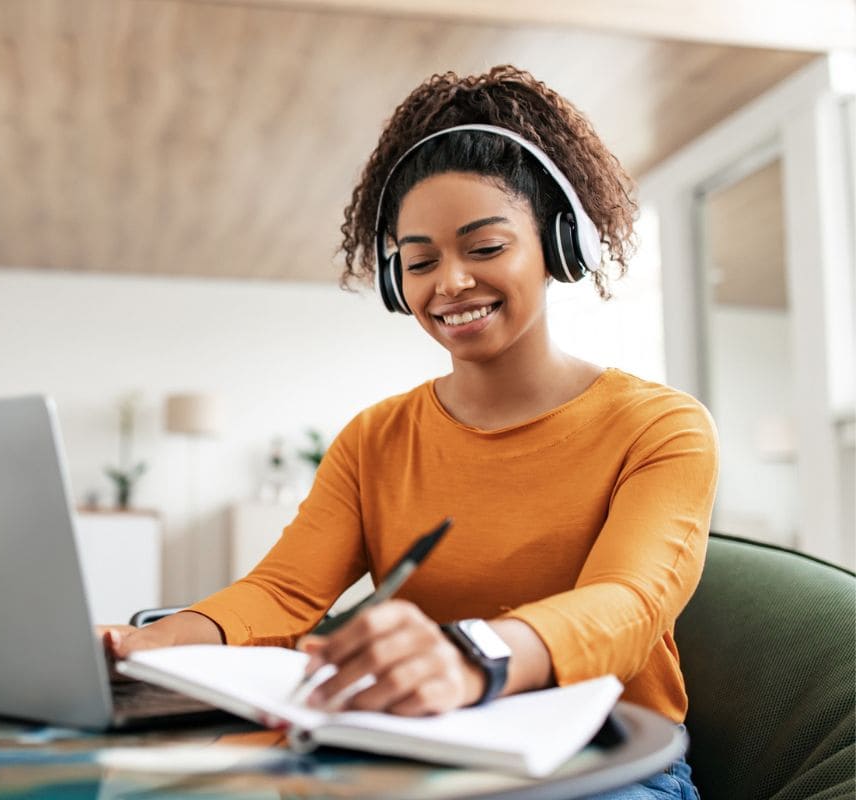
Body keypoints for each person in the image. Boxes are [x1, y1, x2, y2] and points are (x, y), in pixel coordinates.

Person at [103, 65, 717, 798]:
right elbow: (284, 593)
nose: (448, 283)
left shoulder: (660, 427)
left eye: (485, 249)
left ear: (558, 244)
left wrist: (471, 656)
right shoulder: (377, 437)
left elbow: (629, 603)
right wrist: (144, 647)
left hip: (604, 761)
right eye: (419, 261)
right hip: (420, 748)